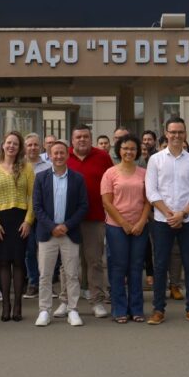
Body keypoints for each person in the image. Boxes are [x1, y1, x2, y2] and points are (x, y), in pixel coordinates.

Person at [145, 117, 189, 325]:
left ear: (185, 134)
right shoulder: (156, 160)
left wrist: (183, 214)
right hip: (162, 221)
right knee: (161, 265)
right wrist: (171, 214)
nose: (176, 136)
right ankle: (158, 309)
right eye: (173, 132)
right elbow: (151, 192)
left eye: (180, 132)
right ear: (166, 133)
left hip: (187, 220)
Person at [33, 141, 88, 327]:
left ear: (67, 155)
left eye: (61, 153)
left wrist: (66, 225)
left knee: (72, 274)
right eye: (54, 153)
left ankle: (72, 309)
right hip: (47, 234)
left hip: (69, 233)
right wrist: (52, 227)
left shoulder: (77, 178)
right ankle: (44, 310)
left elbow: (83, 206)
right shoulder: (40, 178)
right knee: (45, 275)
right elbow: (37, 207)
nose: (58, 156)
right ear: (49, 155)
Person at [66, 124, 115, 319]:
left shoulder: (102, 157)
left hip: (95, 218)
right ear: (72, 140)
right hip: (69, 220)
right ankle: (68, 302)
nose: (82, 140)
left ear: (90, 138)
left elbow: (113, 181)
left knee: (95, 261)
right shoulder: (64, 156)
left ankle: (97, 301)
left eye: (85, 137)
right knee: (68, 263)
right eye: (78, 137)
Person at [0, 131, 35, 321]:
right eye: (8, 143)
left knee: (18, 262)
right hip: (1, 220)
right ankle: (5, 305)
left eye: (15, 143)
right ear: (3, 145)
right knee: (4, 262)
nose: (11, 146)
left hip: (20, 219)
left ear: (19, 147)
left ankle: (18, 305)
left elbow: (33, 197)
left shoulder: (27, 168)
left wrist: (28, 221)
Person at [101, 134, 150, 323]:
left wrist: (140, 223)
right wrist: (124, 223)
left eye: (132, 149)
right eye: (125, 148)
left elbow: (148, 201)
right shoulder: (110, 173)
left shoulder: (144, 173)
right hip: (116, 227)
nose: (129, 152)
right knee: (118, 267)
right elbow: (107, 202)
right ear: (119, 150)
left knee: (136, 267)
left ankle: (136, 309)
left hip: (140, 227)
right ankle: (119, 309)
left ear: (137, 151)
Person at [23, 133, 51, 299]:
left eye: (35, 145)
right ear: (25, 148)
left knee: (45, 250)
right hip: (25, 215)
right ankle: (33, 282)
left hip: (43, 214)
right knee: (29, 251)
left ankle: (46, 283)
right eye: (29, 145)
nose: (32, 148)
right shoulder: (19, 166)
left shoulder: (48, 166)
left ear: (40, 147)